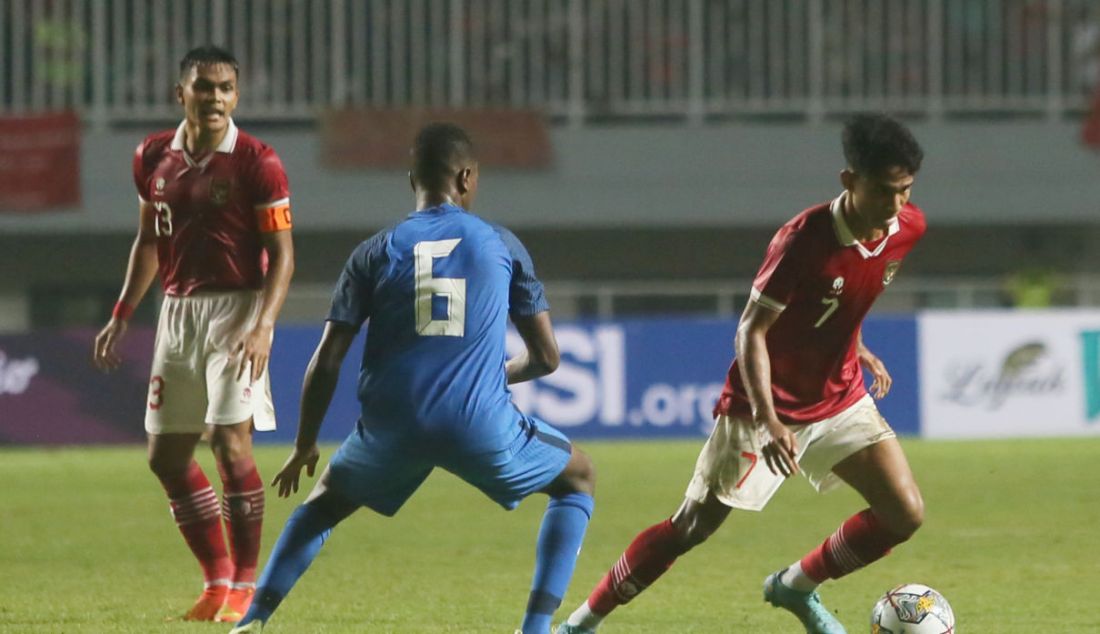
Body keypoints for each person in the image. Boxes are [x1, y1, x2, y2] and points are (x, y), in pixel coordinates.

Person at [557, 113, 926, 634]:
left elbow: (851, 291)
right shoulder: (802, 240)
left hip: (840, 396)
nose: (895, 207)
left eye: (905, 191)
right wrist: (772, 421)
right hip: (764, 408)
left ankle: (794, 586)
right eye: (885, 191)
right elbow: (751, 332)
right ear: (849, 180)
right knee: (691, 527)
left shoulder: (908, 227)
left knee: (904, 513)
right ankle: (580, 623)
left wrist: (857, 343)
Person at [228, 123, 596, 634]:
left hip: (391, 425)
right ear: (467, 177)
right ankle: (534, 630)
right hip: (478, 424)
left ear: (412, 181)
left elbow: (327, 359)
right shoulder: (501, 243)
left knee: (321, 508)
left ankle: (253, 620)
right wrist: (491, 378)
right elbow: (547, 358)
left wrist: (305, 444)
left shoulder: (374, 251)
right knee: (578, 478)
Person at [92, 45, 295, 623]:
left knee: (230, 446)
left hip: (238, 310)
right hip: (177, 312)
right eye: (204, 87)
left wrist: (263, 326)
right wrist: (122, 312)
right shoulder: (151, 156)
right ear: (180, 93)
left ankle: (248, 586)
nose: (215, 98)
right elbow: (150, 240)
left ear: (236, 95)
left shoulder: (259, 161)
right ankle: (216, 580)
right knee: (167, 455)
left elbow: (282, 255)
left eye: (226, 88)